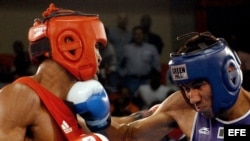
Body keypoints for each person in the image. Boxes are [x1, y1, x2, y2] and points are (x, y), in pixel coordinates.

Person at [101, 31, 250, 141]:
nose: (192, 99)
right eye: (186, 88)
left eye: (198, 85)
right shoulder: (182, 107)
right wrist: (85, 115)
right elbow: (127, 134)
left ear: (228, 74)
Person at [0, 3, 109, 141]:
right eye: (96, 47)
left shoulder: (74, 107)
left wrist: (145, 119)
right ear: (69, 43)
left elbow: (128, 132)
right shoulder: (20, 97)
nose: (99, 57)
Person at [118, 25, 161, 95]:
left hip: (146, 81)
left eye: (140, 33)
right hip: (130, 81)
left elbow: (157, 67)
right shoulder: (127, 49)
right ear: (133, 35)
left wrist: (153, 79)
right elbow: (119, 64)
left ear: (144, 35)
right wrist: (122, 74)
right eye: (136, 34)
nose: (138, 36)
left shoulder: (151, 48)